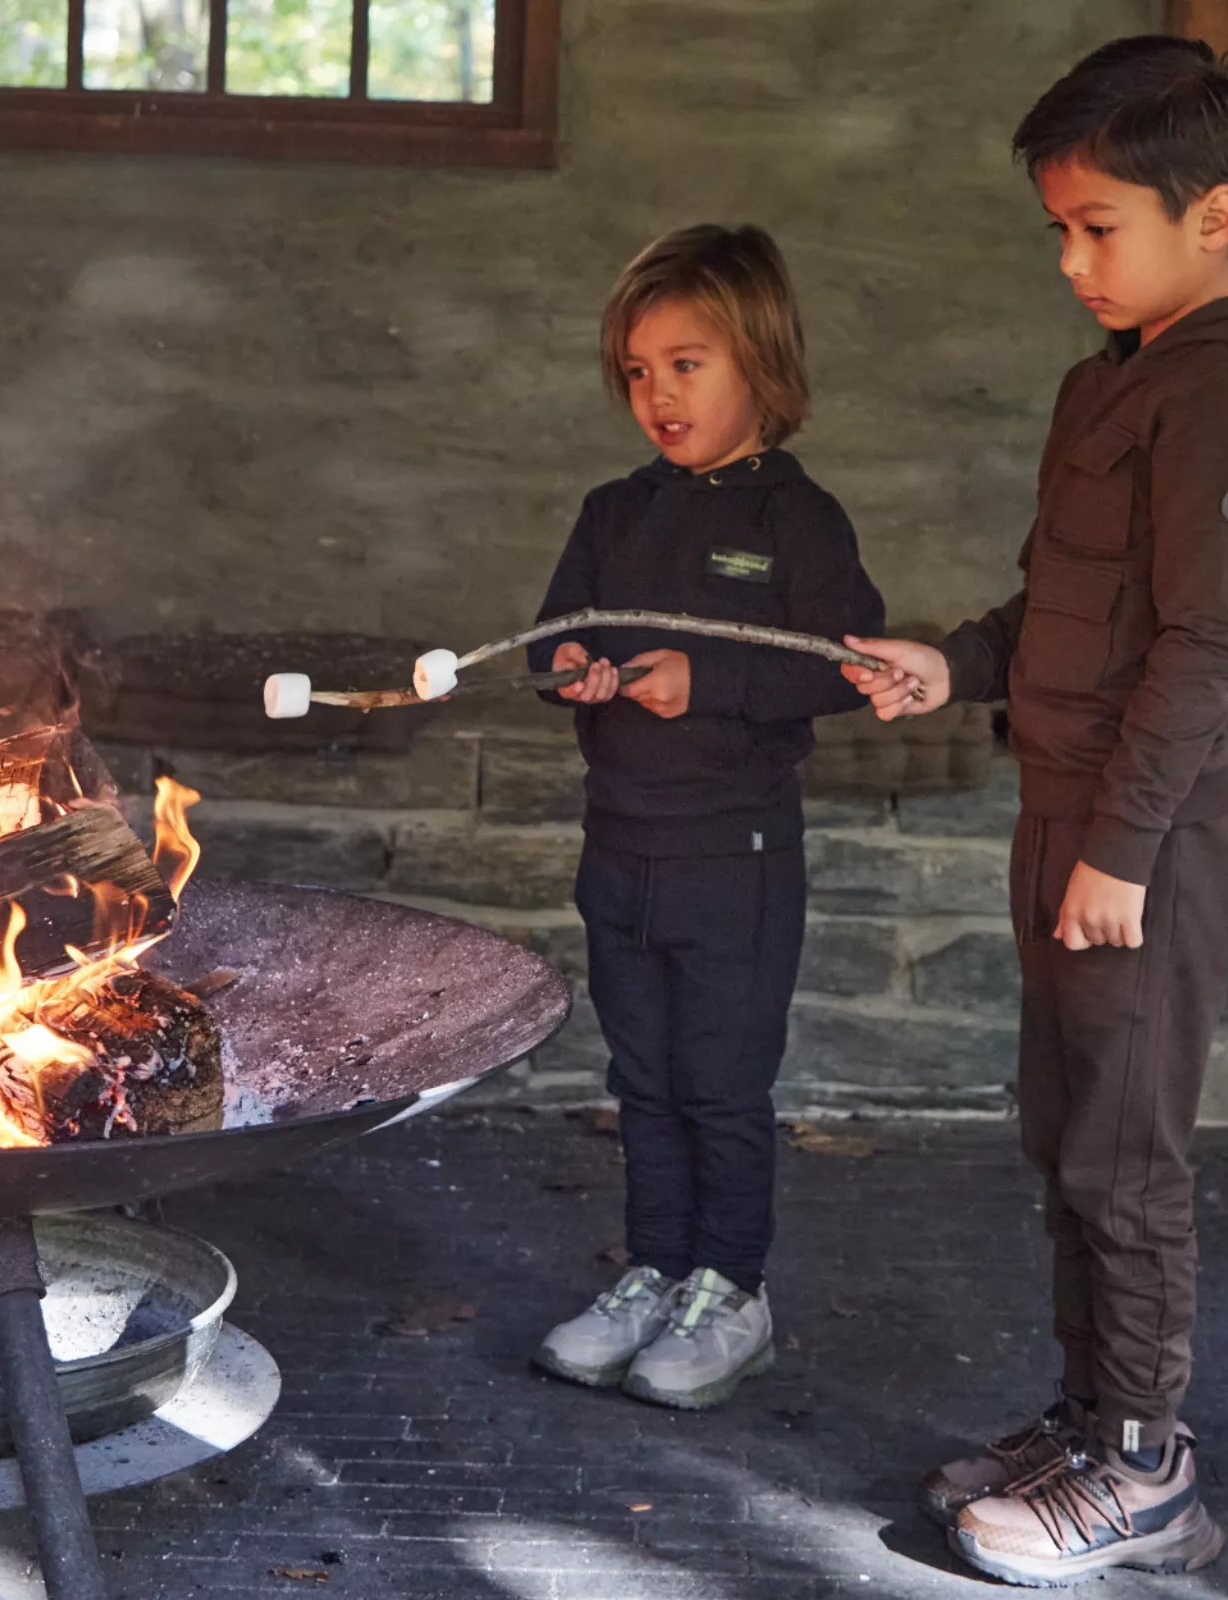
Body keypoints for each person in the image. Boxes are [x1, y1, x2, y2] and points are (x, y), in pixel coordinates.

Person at [844, 36, 1228, 1587]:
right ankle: (1087, 1416)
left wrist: (1120, 850)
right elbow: (1067, 604)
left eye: (1098, 226)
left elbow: (1203, 647)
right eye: (1058, 228)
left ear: (1217, 217)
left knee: (1125, 1151)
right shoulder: (1116, 383)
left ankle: (1147, 1470)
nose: (1072, 262)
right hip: (1070, 811)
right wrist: (954, 661)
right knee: (1064, 1133)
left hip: (1149, 835)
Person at [528, 223, 884, 1410]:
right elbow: (553, 636)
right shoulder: (612, 509)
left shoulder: (797, 520)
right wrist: (572, 661)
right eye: (637, 371)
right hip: (617, 845)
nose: (657, 394)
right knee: (641, 1078)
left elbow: (843, 665)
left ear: (760, 366)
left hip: (734, 861)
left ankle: (732, 1291)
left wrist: (709, 681)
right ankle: (656, 1268)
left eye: (688, 364)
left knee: (720, 1084)